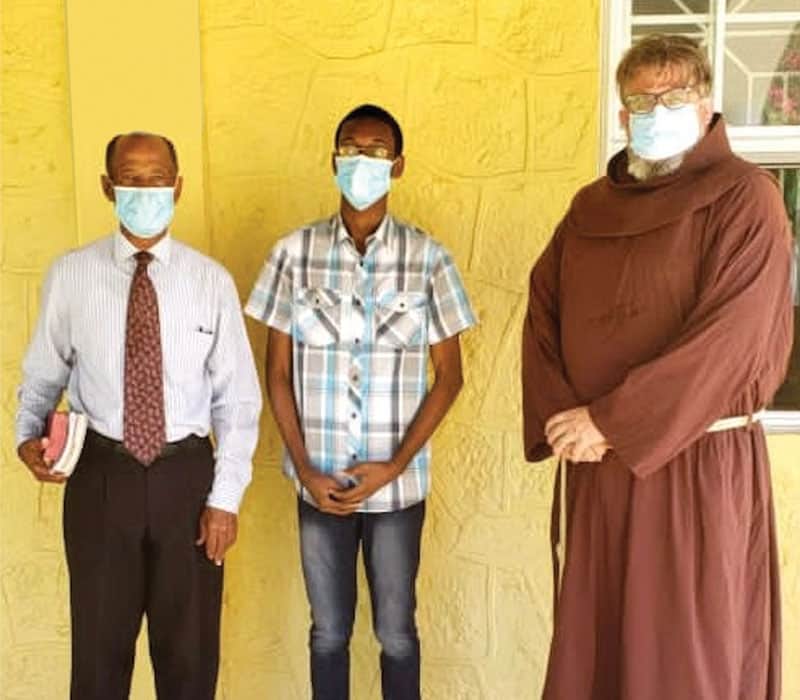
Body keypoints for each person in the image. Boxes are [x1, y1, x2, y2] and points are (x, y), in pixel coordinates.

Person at [521, 35, 793, 700]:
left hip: (696, 468)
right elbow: (543, 313)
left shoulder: (745, 199)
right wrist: (567, 424)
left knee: (684, 653)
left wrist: (611, 421)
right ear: (622, 115)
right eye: (641, 99)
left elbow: (730, 339)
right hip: (600, 472)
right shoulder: (589, 210)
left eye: (674, 96)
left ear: (705, 107)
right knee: (598, 646)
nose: (656, 108)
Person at [16, 132, 262, 700]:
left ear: (178, 187)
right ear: (108, 186)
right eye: (131, 178)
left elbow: (238, 401)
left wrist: (224, 499)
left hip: (188, 481)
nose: (144, 189)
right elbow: (42, 376)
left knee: (189, 661)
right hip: (102, 477)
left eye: (157, 179)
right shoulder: (71, 275)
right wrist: (27, 437)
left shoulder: (210, 282)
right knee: (99, 662)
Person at [246, 104, 475, 700]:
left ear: (397, 165)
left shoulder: (430, 259)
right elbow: (276, 374)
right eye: (351, 147)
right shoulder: (291, 256)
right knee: (328, 634)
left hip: (397, 490)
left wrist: (395, 466)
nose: (362, 159)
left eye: (377, 150)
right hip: (319, 485)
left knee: (397, 633)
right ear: (333, 161)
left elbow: (449, 377)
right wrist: (304, 467)